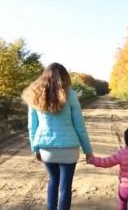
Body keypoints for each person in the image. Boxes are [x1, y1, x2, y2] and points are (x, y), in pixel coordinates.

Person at [22, 62, 93, 210]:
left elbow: (32, 127)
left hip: (47, 149)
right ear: (64, 77)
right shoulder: (71, 94)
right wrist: (88, 151)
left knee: (53, 180)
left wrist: (35, 148)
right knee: (65, 187)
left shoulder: (34, 94)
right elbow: (79, 126)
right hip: (69, 148)